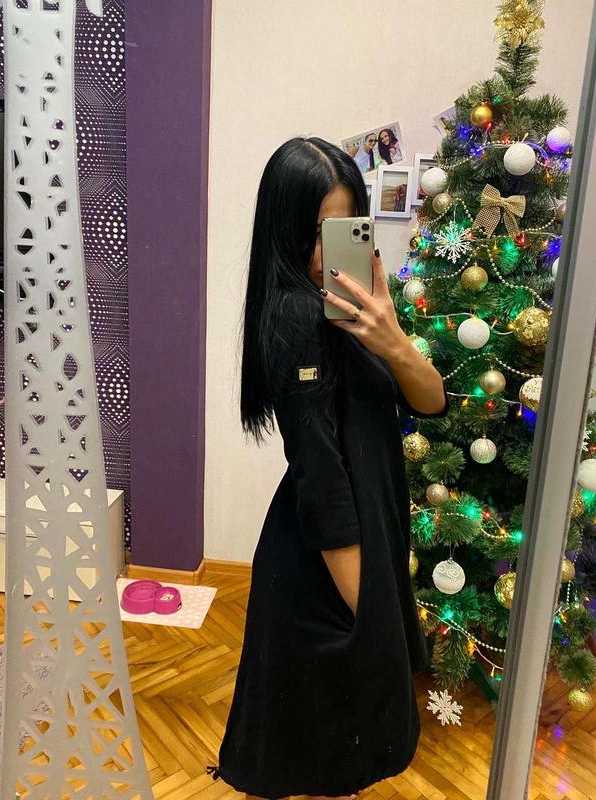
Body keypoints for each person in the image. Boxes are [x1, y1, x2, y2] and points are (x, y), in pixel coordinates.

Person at [205, 136, 448, 799]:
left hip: (358, 538)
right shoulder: (296, 319)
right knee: (329, 750)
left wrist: (392, 338)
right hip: (327, 560)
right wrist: (371, 614)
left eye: (342, 230)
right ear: (284, 231)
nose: (325, 253)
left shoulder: (356, 313)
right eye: (314, 232)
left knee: (331, 748)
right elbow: (322, 479)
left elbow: (432, 400)